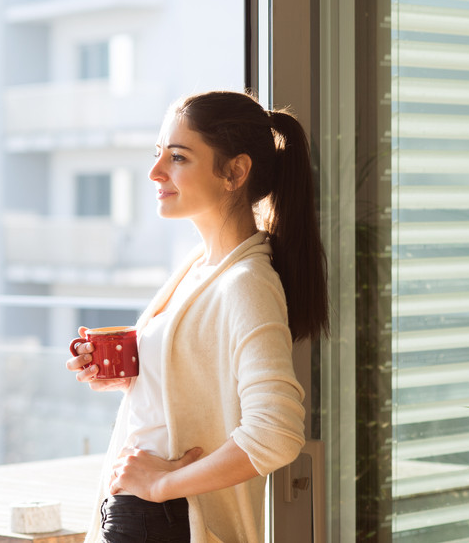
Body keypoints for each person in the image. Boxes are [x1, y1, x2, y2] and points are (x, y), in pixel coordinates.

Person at [66, 90, 329, 543]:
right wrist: (132, 374)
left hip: (166, 520)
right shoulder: (201, 267)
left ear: (235, 172)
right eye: (158, 154)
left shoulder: (245, 282)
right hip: (144, 512)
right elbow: (197, 383)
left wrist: (161, 483)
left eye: (178, 157)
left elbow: (276, 434)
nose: (155, 171)